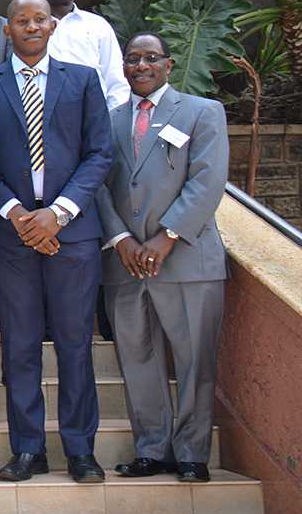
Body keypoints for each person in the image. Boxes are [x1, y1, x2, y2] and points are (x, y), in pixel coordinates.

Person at [0, 0, 112, 484]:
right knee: (19, 347)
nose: (30, 27)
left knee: (74, 345)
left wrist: (59, 213)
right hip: (12, 237)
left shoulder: (83, 80)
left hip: (74, 237)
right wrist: (19, 215)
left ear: (53, 27)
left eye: (39, 20)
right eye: (20, 21)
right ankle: (27, 449)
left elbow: (99, 155)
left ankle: (80, 450)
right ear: (6, 30)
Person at [96, 33, 229, 484]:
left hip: (187, 260)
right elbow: (97, 186)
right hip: (125, 264)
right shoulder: (108, 121)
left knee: (195, 360)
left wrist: (166, 237)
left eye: (150, 58)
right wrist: (121, 239)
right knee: (137, 360)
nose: (140, 65)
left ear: (169, 65)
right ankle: (152, 450)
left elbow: (208, 181)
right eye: (132, 59)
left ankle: (192, 454)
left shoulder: (202, 112)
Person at [40, 0, 130, 110]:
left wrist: (112, 121)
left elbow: (115, 80)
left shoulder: (97, 25)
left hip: (92, 116)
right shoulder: (30, 28)